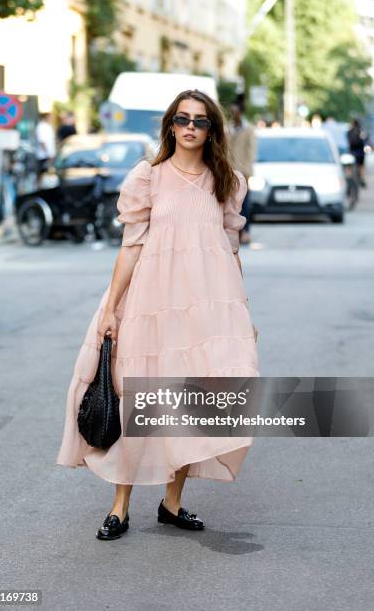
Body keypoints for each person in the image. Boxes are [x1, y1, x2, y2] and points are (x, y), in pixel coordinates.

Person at [56, 89, 260, 540]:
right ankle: (119, 507)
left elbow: (230, 251)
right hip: (149, 302)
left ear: (212, 131)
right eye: (182, 119)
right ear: (170, 125)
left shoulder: (226, 181)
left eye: (200, 121)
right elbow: (130, 249)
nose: (190, 127)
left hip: (206, 308)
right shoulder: (148, 177)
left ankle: (172, 502)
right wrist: (111, 309)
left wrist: (241, 313)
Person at [227, 99, 257, 246]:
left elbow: (251, 152)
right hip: (228, 172)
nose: (234, 114)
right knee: (230, 203)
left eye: (236, 111)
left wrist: (247, 172)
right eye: (232, 112)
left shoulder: (249, 129)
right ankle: (233, 231)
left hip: (243, 171)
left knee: (244, 203)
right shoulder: (228, 128)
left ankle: (245, 231)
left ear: (240, 112)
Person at [34, 113, 56, 177]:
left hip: (48, 155)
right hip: (44, 156)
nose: (52, 119)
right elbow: (42, 142)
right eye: (50, 117)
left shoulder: (48, 126)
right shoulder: (41, 127)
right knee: (44, 175)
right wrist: (48, 154)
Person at [347, 118, 367, 187]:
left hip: (352, 152)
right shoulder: (361, 131)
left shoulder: (349, 131)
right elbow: (365, 140)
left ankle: (349, 179)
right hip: (360, 153)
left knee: (349, 167)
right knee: (361, 166)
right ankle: (362, 178)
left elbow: (348, 141)